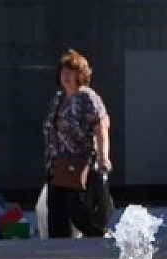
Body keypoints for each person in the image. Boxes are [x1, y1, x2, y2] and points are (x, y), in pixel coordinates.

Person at [42, 50, 113, 238]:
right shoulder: (59, 98)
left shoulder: (87, 97)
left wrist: (103, 156)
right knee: (56, 211)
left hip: (79, 162)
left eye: (70, 72)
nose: (66, 77)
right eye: (63, 72)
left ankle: (99, 236)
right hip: (57, 164)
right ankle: (58, 251)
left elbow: (101, 126)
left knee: (78, 208)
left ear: (80, 75)